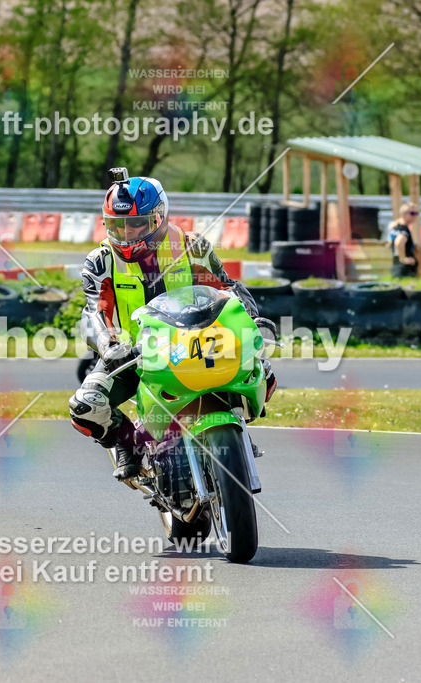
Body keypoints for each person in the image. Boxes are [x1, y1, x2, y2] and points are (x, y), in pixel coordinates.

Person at [68, 168, 277, 480]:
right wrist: (109, 345)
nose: (128, 232)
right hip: (134, 353)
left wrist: (251, 318)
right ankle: (131, 448)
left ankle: (237, 426)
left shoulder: (193, 247)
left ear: (159, 217)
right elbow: (97, 311)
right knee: (85, 406)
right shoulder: (100, 261)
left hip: (197, 340)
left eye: (137, 223)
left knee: (263, 368)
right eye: (118, 225)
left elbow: (227, 287)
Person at [389, 202, 419, 277]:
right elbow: (399, 242)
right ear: (403, 214)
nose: (415, 216)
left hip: (396, 264)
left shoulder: (396, 227)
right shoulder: (404, 229)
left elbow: (390, 243)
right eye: (412, 213)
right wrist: (403, 259)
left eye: (416, 213)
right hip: (405, 268)